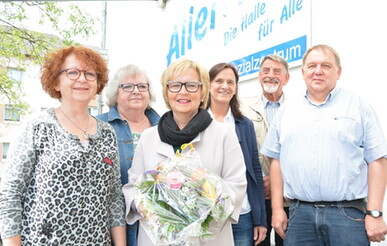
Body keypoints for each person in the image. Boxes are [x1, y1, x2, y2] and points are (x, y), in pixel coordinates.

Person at [261, 44, 387, 245]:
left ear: (338, 72)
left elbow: (377, 160)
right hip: (299, 216)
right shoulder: (287, 111)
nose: (318, 71)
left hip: (347, 216)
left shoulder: (359, 106)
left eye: (326, 66)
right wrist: (277, 210)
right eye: (312, 66)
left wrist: (375, 212)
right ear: (303, 72)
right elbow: (276, 161)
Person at [0, 46, 126, 245]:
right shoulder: (38, 127)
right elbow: (9, 195)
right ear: (56, 82)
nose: (82, 79)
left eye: (90, 73)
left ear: (98, 82)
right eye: (72, 72)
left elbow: (115, 198)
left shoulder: (108, 133)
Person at [122, 58, 247, 246]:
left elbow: (236, 186)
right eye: (175, 85)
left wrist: (200, 203)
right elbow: (132, 187)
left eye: (191, 85)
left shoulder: (223, 135)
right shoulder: (148, 137)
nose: (183, 91)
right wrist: (150, 206)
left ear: (203, 91)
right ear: (166, 92)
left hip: (209, 239)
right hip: (157, 239)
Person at [97, 64, 160, 246]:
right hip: (111, 224)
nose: (136, 91)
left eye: (142, 86)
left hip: (156, 223)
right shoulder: (98, 126)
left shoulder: (165, 126)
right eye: (127, 86)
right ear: (115, 94)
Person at [207, 62, 267, 245]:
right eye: (219, 81)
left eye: (230, 82)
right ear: (208, 85)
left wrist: (260, 219)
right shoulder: (197, 123)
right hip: (205, 214)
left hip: (241, 214)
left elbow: (254, 171)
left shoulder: (244, 124)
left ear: (235, 88)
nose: (225, 86)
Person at [240, 54, 290, 246]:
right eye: (265, 71)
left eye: (277, 71)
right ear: (259, 76)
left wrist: (278, 182)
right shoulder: (242, 108)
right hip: (255, 196)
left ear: (286, 78)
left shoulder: (297, 108)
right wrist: (259, 183)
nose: (270, 75)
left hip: (287, 198)